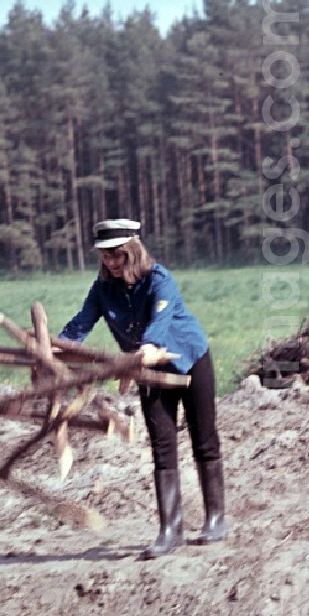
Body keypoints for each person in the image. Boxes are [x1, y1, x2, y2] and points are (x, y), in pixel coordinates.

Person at [59, 218, 227, 558]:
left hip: (189, 361)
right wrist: (58, 346)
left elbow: (159, 325)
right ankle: (170, 530)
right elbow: (81, 322)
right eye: (105, 256)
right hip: (148, 373)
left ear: (131, 251)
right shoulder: (101, 289)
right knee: (162, 446)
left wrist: (145, 350)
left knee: (203, 439)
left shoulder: (159, 280)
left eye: (116, 255)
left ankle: (216, 520)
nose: (109, 262)